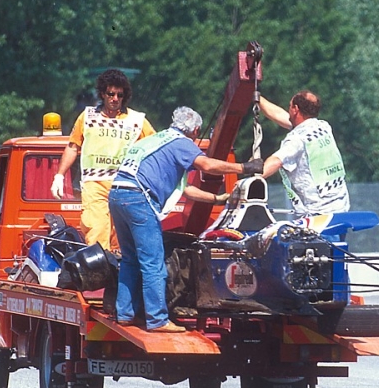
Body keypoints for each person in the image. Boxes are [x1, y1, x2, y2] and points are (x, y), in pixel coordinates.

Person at [108, 106, 263, 333]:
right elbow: (207, 165)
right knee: (153, 262)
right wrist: (244, 167)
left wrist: (217, 198)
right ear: (196, 129)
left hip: (118, 194)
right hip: (139, 198)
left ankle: (126, 314)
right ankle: (158, 320)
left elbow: (185, 188)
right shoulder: (181, 143)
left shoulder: (157, 139)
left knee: (131, 259)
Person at [51, 69, 156, 251]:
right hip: (95, 184)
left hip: (125, 185)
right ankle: (98, 275)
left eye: (119, 95)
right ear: (102, 94)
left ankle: (121, 276)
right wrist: (59, 176)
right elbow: (73, 146)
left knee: (121, 239)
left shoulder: (137, 120)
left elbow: (155, 147)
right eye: (111, 94)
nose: (115, 98)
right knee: (97, 231)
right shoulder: (88, 117)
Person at [257, 90, 350, 216]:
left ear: (295, 109)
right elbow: (281, 115)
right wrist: (257, 97)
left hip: (318, 218)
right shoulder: (323, 127)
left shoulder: (296, 139)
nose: (288, 110)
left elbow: (276, 161)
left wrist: (250, 180)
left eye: (290, 106)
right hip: (341, 211)